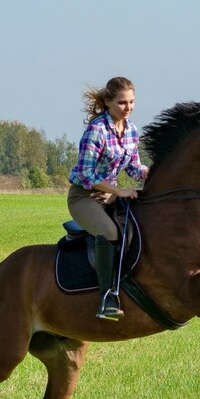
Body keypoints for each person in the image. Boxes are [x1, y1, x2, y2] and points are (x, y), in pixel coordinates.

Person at [67, 76, 150, 320]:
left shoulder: (132, 131)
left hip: (111, 197)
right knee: (110, 232)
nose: (128, 108)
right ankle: (107, 297)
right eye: (122, 103)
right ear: (108, 102)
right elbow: (85, 174)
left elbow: (134, 168)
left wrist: (156, 172)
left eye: (132, 102)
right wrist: (119, 191)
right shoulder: (96, 130)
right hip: (84, 197)